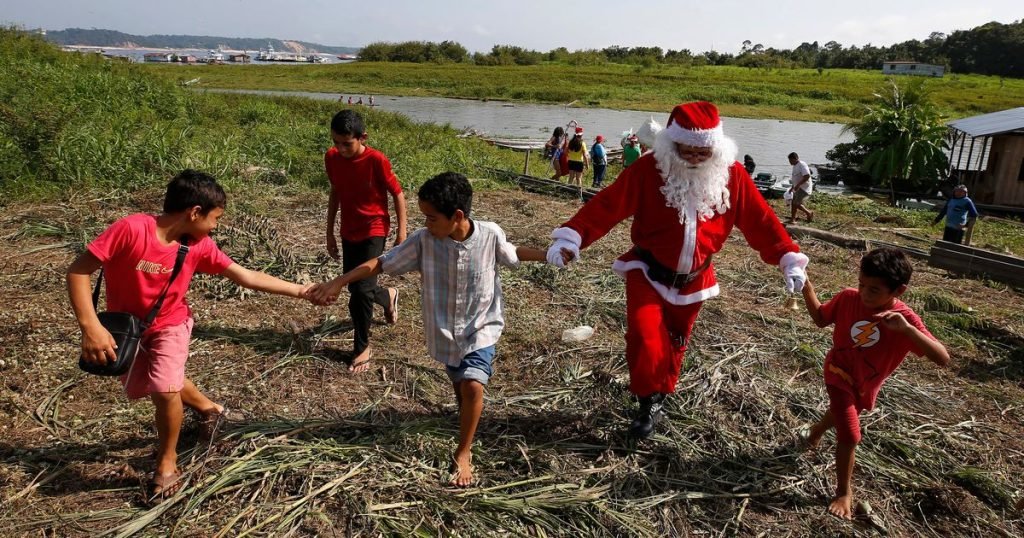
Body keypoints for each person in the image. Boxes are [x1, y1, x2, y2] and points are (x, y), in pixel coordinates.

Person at [545, 101, 808, 438]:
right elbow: (607, 205)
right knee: (645, 335)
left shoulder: (733, 176)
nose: (697, 157)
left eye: (704, 151)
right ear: (673, 142)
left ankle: (660, 395)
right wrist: (571, 238)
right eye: (689, 150)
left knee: (677, 341)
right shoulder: (648, 169)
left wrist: (787, 257)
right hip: (647, 270)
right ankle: (645, 399)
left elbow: (761, 221)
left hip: (696, 278)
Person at [67, 170, 313, 501]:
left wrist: (303, 291)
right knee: (158, 381)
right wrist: (91, 326)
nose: (215, 226)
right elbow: (79, 271)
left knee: (164, 388)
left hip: (171, 324)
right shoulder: (131, 230)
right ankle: (210, 409)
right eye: (215, 218)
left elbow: (246, 276)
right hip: (129, 328)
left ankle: (166, 462)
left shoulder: (199, 246)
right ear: (194, 212)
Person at [310, 172, 550, 487]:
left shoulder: (490, 234)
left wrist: (548, 255)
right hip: (445, 329)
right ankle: (463, 411)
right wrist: (339, 281)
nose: (426, 224)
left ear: (458, 216)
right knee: (459, 381)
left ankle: (463, 452)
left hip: (482, 326)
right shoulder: (424, 241)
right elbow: (382, 263)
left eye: (431, 218)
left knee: (473, 384)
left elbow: (513, 253)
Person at [800, 248, 950, 519]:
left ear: (899, 291)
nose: (864, 293)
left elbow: (942, 358)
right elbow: (821, 319)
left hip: (865, 383)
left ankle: (814, 432)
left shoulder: (904, 319)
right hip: (838, 371)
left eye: (874, 290)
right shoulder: (848, 299)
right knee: (850, 434)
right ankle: (843, 492)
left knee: (841, 413)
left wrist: (907, 330)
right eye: (861, 284)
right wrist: (806, 286)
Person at [324, 109, 408, 373]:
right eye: (336, 142)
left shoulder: (376, 160)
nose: (341, 148)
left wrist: (401, 232)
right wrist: (329, 231)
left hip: (375, 229)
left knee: (359, 291)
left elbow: (398, 194)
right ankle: (387, 296)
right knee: (357, 288)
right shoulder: (332, 157)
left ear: (362, 138)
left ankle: (361, 347)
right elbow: (335, 192)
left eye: (346, 143)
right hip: (349, 230)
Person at [787, 152, 814, 223]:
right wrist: (792, 187)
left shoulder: (802, 164)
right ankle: (793, 219)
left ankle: (808, 213)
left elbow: (807, 176)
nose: (789, 162)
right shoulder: (795, 166)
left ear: (795, 159)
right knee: (794, 203)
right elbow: (796, 178)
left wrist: (798, 185)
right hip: (798, 187)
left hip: (804, 188)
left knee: (796, 203)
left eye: (790, 160)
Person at [565, 126, 590, 191]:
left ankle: (568, 190)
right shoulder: (582, 143)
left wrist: (569, 157)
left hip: (571, 161)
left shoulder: (571, 142)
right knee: (578, 178)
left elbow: (565, 151)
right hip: (579, 162)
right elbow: (585, 155)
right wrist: (587, 164)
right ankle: (579, 192)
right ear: (581, 135)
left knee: (571, 177)